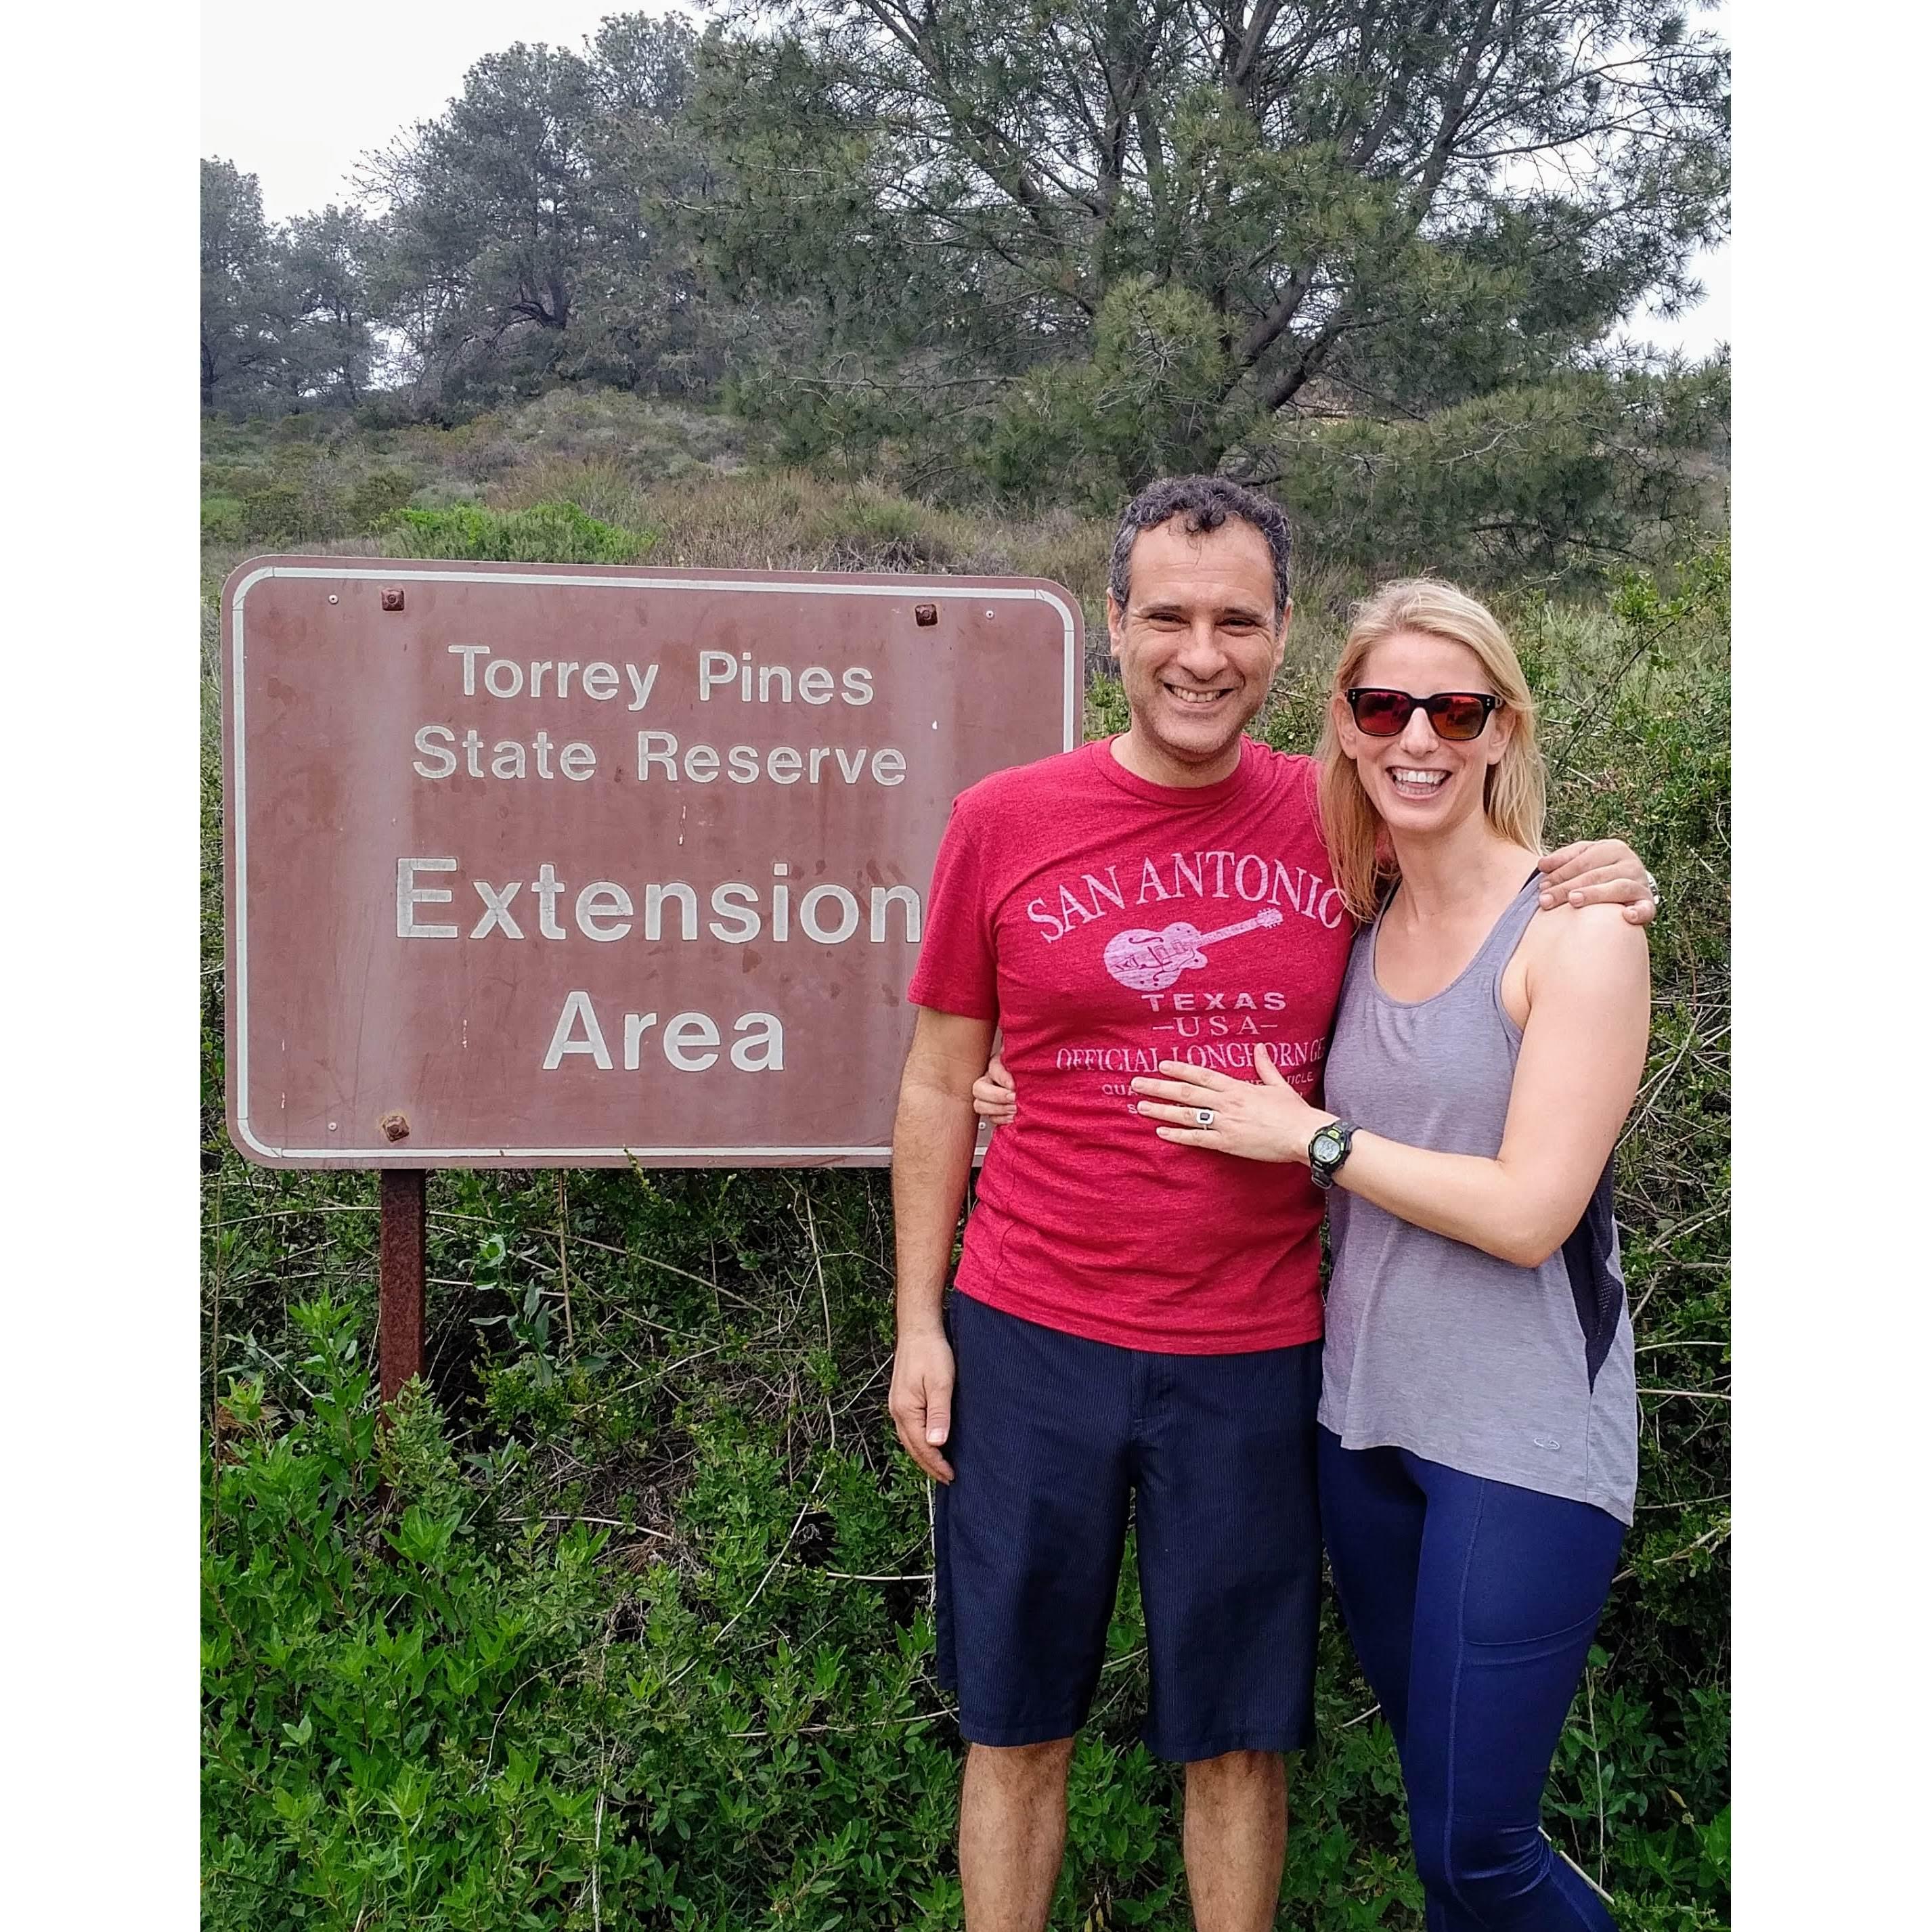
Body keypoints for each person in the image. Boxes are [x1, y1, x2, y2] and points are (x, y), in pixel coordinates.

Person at [887, 477, 1656, 1932]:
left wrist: (1619, 876)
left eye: (1233, 618)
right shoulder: (1003, 820)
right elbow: (938, 1081)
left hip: (1257, 1350)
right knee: (1012, 1720)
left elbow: (1487, 898)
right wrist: (917, 1322)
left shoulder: (1340, 824)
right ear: (1109, 624)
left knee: (1237, 1733)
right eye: (1165, 615)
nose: (1199, 650)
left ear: (1279, 636)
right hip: (1025, 1326)